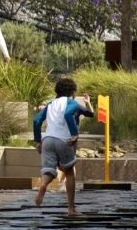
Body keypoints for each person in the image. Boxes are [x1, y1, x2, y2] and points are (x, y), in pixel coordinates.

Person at [33, 78, 94, 216]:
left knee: (48, 170)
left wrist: (38, 140)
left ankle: (43, 185)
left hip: (48, 140)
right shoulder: (71, 103)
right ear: (73, 92)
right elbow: (73, 114)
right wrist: (74, 134)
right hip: (64, 140)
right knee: (70, 172)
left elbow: (36, 120)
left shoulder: (50, 104)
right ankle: (71, 209)